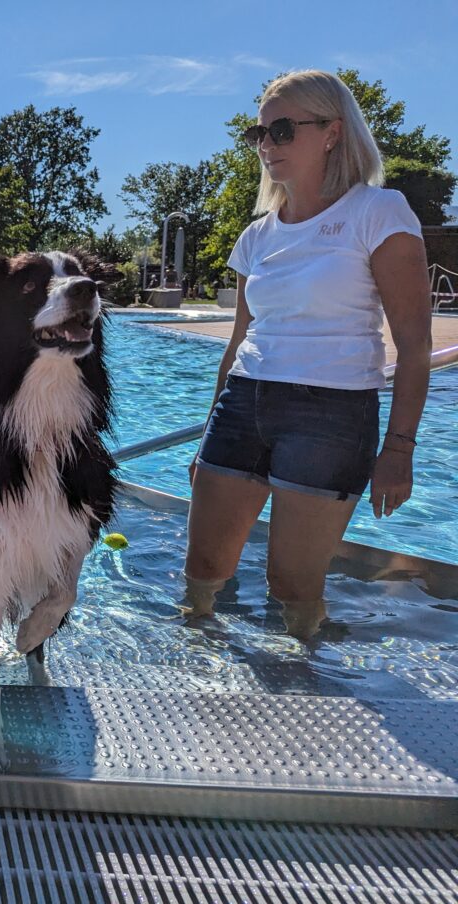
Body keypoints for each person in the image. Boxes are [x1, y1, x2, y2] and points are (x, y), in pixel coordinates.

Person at [184, 69, 431, 641]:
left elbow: (414, 345)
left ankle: (304, 672)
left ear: (332, 133)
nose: (267, 145)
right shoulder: (257, 235)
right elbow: (238, 341)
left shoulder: (378, 211)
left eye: (283, 130)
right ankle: (191, 661)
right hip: (242, 406)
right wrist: (207, 434)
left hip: (331, 413)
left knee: (292, 585)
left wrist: (399, 448)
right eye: (260, 133)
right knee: (202, 569)